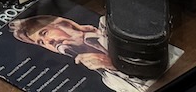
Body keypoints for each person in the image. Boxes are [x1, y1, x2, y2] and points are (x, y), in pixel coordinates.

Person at [10, 13, 150, 92]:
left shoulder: (108, 26)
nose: (48, 42)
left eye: (45, 33)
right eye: (41, 42)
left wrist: (114, 63)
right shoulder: (108, 79)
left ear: (64, 24)